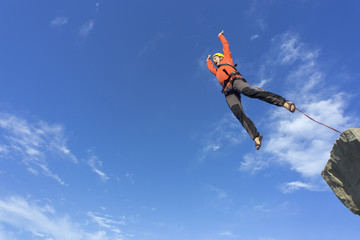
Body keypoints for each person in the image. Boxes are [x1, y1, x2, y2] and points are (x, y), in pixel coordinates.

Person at [206, 30, 295, 150]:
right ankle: (256, 136)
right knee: (238, 112)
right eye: (214, 59)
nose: (215, 60)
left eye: (216, 58)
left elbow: (226, 47)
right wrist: (208, 60)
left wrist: (220, 36)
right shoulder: (216, 71)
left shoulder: (227, 59)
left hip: (236, 81)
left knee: (250, 92)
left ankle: (284, 102)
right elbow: (211, 68)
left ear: (221, 57)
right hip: (228, 91)